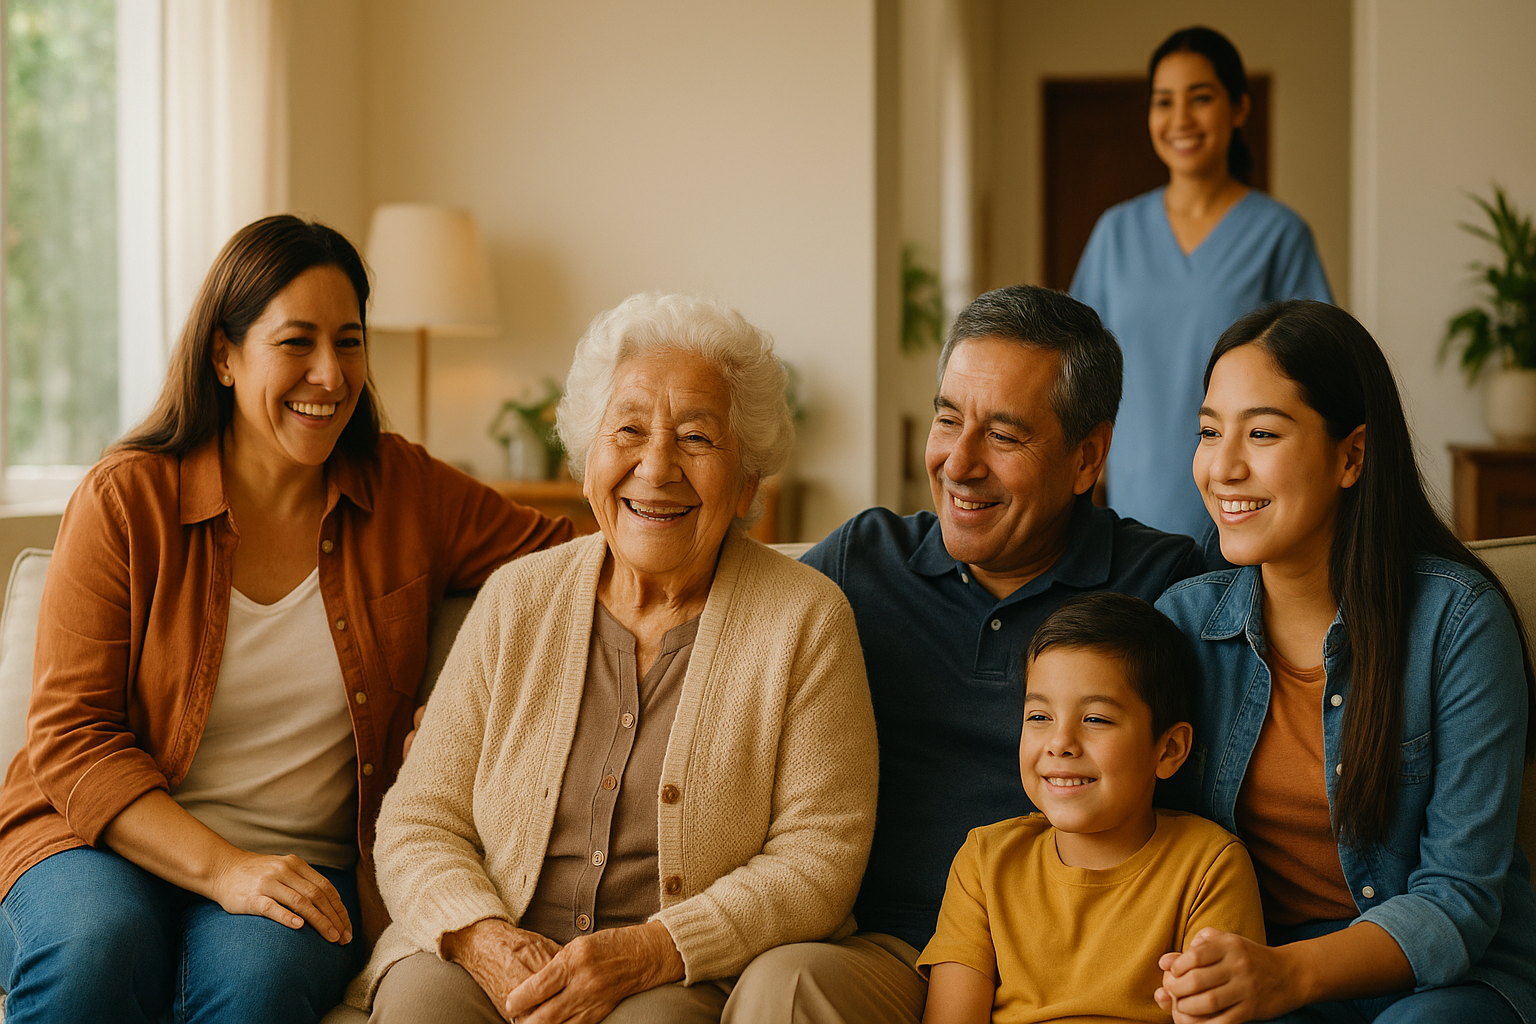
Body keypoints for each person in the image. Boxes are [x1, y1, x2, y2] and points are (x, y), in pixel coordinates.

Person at [0, 215, 573, 1024]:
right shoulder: (127, 500)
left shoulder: (408, 491)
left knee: (258, 989)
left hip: (306, 862)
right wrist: (225, 869)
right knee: (98, 949)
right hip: (94, 843)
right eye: (296, 342)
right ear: (224, 356)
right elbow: (70, 739)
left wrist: (457, 726)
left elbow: (576, 563)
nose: (330, 375)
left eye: (348, 341)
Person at [349, 293, 878, 1024]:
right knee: (418, 1012)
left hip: (677, 976)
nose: (655, 467)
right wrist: (481, 937)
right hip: (494, 958)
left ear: (749, 480)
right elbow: (418, 818)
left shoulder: (807, 620)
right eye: (627, 430)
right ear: (588, 456)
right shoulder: (515, 599)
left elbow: (820, 857)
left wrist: (656, 949)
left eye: (696, 438)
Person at [722, 285, 1207, 1023]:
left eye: (1005, 436)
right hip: (891, 953)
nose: (959, 462)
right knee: (786, 986)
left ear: (1086, 459)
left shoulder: (1164, 588)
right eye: (949, 419)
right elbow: (707, 616)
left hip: (1077, 965)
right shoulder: (863, 561)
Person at [1155, 299, 1536, 1022]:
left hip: (1450, 982)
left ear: (1351, 455)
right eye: (1209, 432)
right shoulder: (1181, 624)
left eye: (1262, 432)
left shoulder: (1456, 623)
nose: (1223, 467)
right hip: (1262, 973)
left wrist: (1285, 976)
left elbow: (1459, 896)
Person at [919, 593, 1265, 1023]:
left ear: (1169, 749)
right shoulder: (984, 862)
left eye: (1096, 719)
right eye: (1039, 717)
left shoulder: (1210, 865)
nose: (1060, 742)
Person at [1071, 26, 1332, 542]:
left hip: (1247, 497)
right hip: (1131, 507)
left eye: (1201, 98)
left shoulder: (1278, 234)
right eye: (1163, 101)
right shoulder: (1116, 233)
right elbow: (1077, 370)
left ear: (1239, 109)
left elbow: (1320, 372)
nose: (1180, 119)